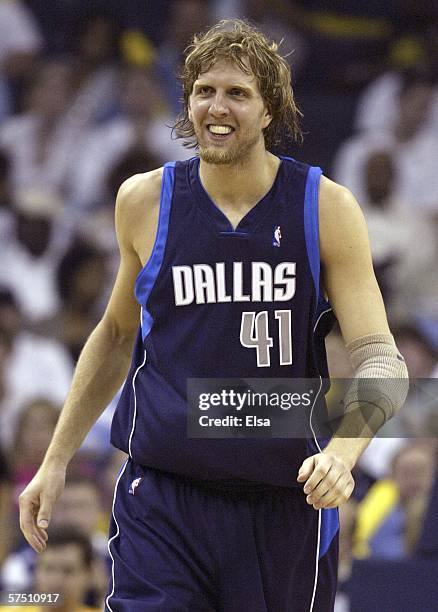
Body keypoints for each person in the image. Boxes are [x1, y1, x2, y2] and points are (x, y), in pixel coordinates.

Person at [18, 20, 408, 611]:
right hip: (164, 497)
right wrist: (56, 461)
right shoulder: (145, 201)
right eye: (204, 90)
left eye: (237, 93)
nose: (216, 107)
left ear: (270, 109)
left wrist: (345, 451)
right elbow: (117, 333)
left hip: (283, 500)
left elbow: (383, 359)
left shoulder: (323, 207)